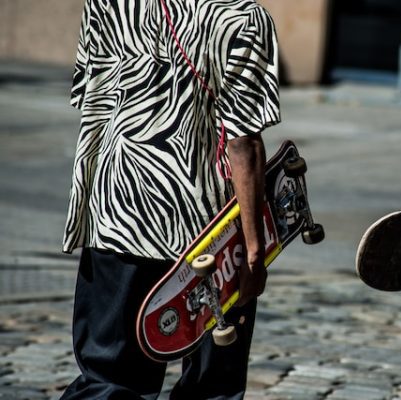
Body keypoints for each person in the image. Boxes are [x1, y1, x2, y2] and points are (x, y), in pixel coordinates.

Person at [60, 0, 280, 398]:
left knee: (109, 378)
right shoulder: (242, 18)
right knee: (212, 385)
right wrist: (252, 248)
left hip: (116, 212)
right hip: (207, 235)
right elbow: (243, 141)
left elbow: (88, 95)